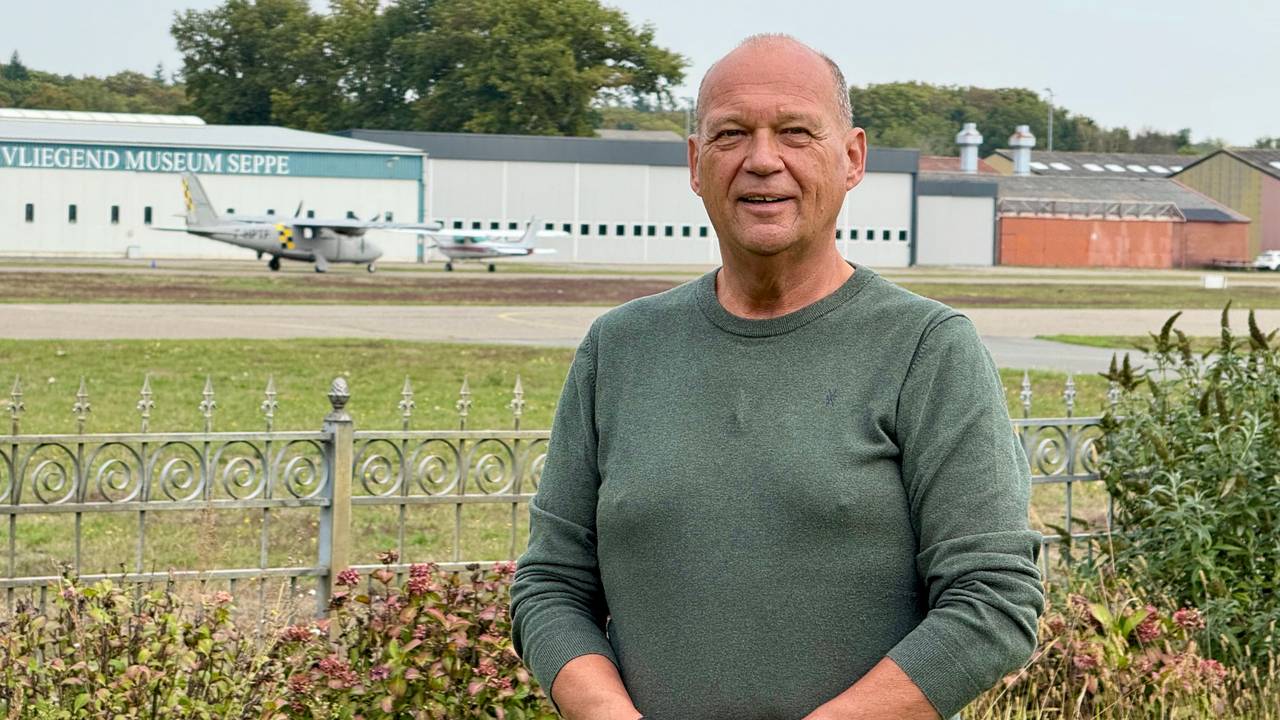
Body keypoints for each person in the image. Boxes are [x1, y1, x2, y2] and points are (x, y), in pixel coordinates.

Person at [510, 34, 1043, 720]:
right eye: (732, 134)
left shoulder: (927, 349)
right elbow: (552, 586)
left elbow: (994, 602)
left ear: (852, 158)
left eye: (795, 132)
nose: (764, 161)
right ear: (696, 163)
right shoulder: (620, 348)